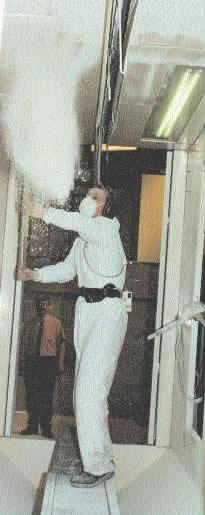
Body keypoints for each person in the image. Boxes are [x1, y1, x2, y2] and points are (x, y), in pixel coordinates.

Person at [18, 183, 128, 488]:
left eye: (96, 197)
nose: (88, 200)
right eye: (87, 194)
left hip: (107, 312)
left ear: (106, 206)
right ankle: (102, 457)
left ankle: (97, 466)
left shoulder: (105, 230)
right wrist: (37, 274)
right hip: (88, 312)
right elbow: (67, 271)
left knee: (88, 390)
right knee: (91, 390)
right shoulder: (83, 241)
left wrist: (41, 211)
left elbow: (77, 222)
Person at [20, 296, 65, 438]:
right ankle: (32, 427)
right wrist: (21, 363)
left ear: (49, 306)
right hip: (32, 361)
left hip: (48, 362)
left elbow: (62, 344)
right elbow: (23, 344)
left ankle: (46, 429)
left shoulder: (56, 323)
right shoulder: (30, 323)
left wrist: (60, 364)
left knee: (46, 397)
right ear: (37, 306)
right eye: (40, 304)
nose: (42, 306)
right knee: (32, 395)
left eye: (45, 304)